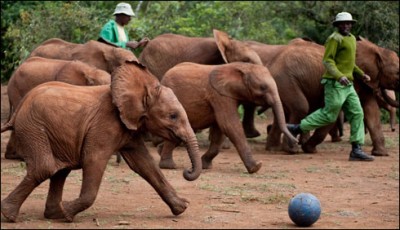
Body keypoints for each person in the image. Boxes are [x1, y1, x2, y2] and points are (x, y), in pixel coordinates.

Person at [287, 12, 374, 161]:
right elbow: (328, 61)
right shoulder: (334, 39)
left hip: (349, 85)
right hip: (335, 84)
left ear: (351, 24)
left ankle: (356, 149)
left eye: (348, 23)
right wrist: (339, 76)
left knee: (357, 113)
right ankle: (296, 128)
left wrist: (361, 74)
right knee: (329, 115)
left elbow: (348, 63)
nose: (346, 26)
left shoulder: (352, 39)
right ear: (337, 25)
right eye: (342, 23)